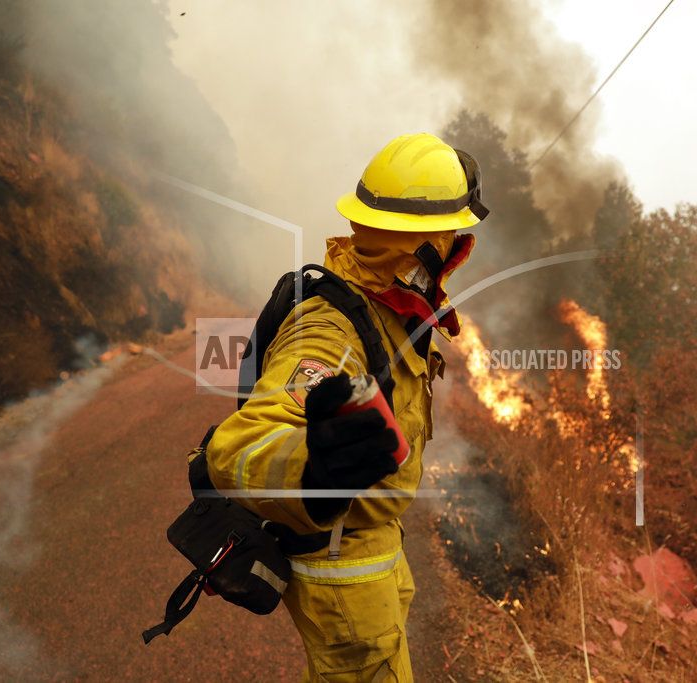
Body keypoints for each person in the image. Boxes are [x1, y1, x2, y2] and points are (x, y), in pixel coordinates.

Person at [206, 132, 488, 681]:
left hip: (376, 550)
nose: (457, 245)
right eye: (452, 232)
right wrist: (312, 469)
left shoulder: (388, 311)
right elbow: (240, 446)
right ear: (429, 245)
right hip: (344, 571)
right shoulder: (333, 327)